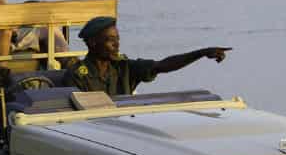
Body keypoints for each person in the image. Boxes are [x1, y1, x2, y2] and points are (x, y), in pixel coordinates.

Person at [64, 16, 231, 96]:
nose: (117, 45)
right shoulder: (77, 75)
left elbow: (163, 66)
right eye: (110, 40)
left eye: (118, 39)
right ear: (93, 43)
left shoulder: (125, 67)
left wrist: (201, 53)